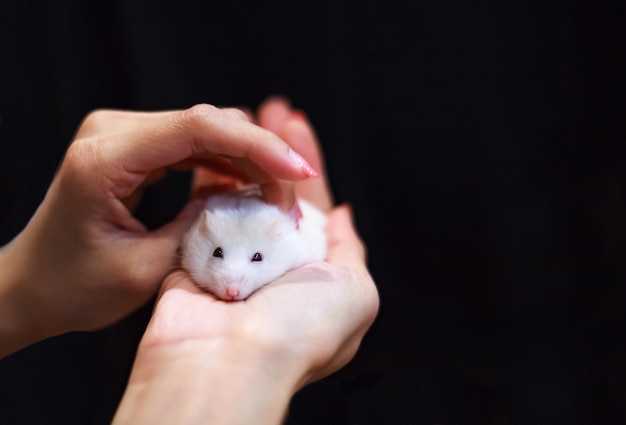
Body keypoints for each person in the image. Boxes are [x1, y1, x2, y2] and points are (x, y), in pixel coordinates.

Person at [0, 96, 379, 424]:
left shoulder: (293, 237)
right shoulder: (207, 221)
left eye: (257, 259)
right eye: (217, 255)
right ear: (199, 236)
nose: (233, 283)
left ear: (277, 245)